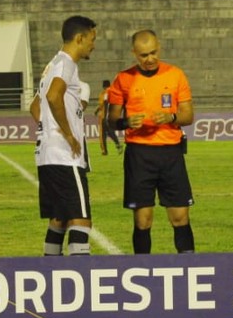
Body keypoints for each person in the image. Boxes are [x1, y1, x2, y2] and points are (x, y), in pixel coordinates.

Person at [107, 30, 196, 254]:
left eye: (153, 53)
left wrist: (171, 117)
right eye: (144, 55)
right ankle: (141, 267)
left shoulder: (175, 75)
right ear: (134, 53)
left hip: (171, 153)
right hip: (139, 155)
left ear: (160, 47)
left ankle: (189, 266)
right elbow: (112, 120)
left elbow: (188, 116)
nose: (149, 59)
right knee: (143, 220)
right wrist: (126, 122)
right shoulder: (123, 79)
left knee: (180, 217)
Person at [31, 15, 97, 256]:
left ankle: (50, 270)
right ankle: (80, 273)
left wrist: (50, 130)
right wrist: (67, 135)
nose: (93, 45)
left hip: (47, 155)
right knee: (80, 220)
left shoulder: (53, 65)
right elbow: (53, 96)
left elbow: (34, 107)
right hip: (64, 157)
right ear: (79, 38)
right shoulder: (66, 64)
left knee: (59, 219)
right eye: (92, 39)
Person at [96, 79, 123, 156]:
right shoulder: (113, 92)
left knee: (102, 134)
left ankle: (104, 151)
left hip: (104, 116)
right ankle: (118, 144)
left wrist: (105, 116)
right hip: (111, 116)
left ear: (104, 86)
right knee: (110, 132)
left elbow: (105, 103)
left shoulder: (105, 92)